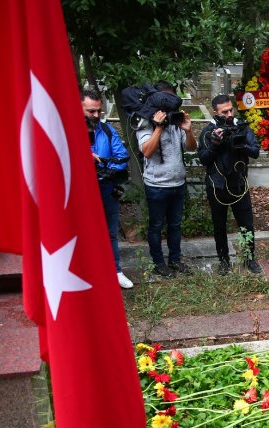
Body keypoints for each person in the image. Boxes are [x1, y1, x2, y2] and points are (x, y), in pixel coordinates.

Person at [137, 81, 197, 278]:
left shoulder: (176, 122)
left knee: (175, 225)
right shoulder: (145, 123)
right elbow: (146, 151)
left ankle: (175, 260)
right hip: (156, 186)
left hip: (178, 184)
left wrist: (188, 130)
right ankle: (158, 263)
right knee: (156, 226)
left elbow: (191, 148)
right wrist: (158, 128)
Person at [198, 94, 262, 274]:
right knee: (219, 226)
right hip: (216, 187)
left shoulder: (242, 127)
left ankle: (250, 258)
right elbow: (203, 159)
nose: (229, 114)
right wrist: (215, 144)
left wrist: (240, 145)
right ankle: (224, 261)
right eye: (224, 111)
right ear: (215, 112)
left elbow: (255, 151)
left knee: (247, 224)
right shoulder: (208, 132)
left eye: (230, 109)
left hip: (239, 186)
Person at [82, 90, 132, 289]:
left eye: (98, 111)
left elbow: (121, 157)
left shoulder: (108, 130)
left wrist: (103, 166)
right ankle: (86, 274)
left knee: (110, 232)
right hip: (81, 191)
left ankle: (116, 271)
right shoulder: (69, 133)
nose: (95, 115)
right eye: (90, 111)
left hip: (106, 187)